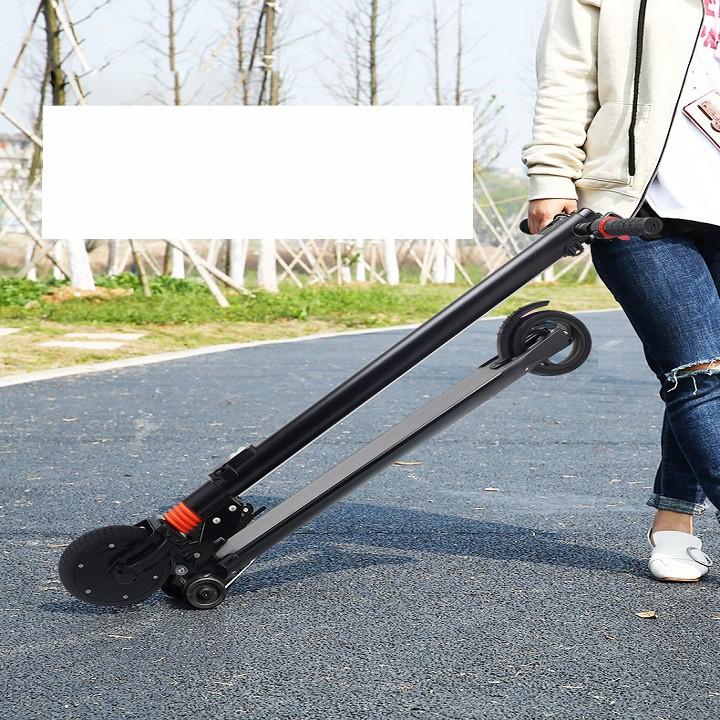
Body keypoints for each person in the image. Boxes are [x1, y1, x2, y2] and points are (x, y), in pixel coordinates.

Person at [522, 0, 720, 582]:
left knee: (706, 371)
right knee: (700, 372)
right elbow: (567, 71)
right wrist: (551, 173)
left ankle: (674, 519)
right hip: (637, 205)